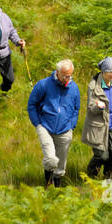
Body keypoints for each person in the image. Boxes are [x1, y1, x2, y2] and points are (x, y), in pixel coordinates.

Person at [27, 59, 81, 188]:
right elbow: (32, 105)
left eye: (70, 75)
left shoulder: (73, 88)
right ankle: (47, 182)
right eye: (65, 76)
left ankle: (57, 188)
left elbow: (76, 108)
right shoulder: (43, 85)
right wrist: (38, 124)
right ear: (57, 72)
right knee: (51, 159)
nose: (68, 78)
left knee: (61, 164)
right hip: (45, 126)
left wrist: (72, 125)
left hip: (65, 130)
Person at [82, 57, 112, 180]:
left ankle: (109, 179)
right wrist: (98, 107)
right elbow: (91, 108)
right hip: (99, 126)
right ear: (103, 72)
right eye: (109, 72)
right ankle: (90, 176)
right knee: (102, 156)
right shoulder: (93, 86)